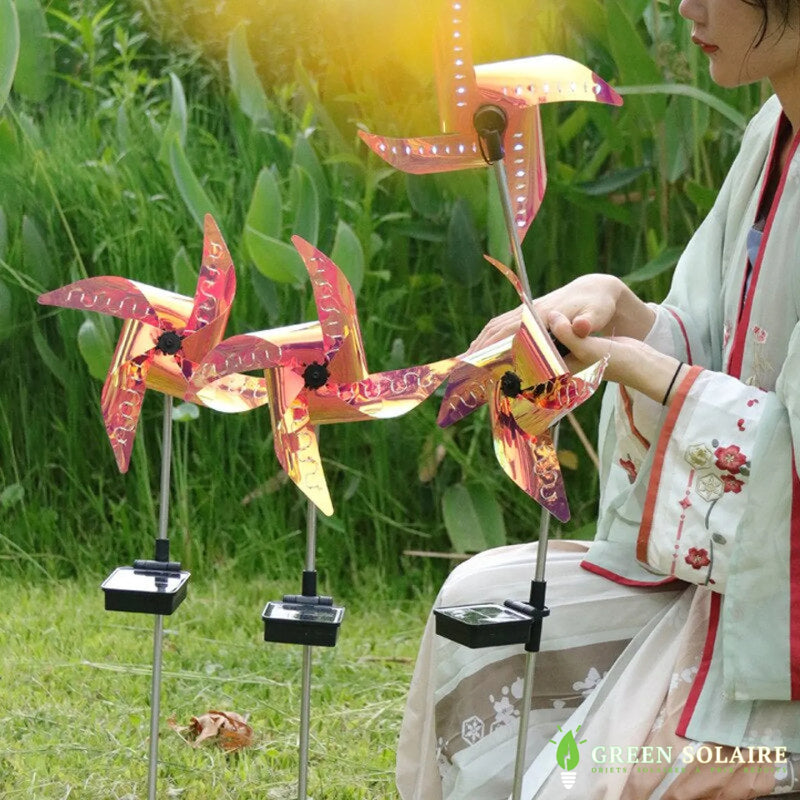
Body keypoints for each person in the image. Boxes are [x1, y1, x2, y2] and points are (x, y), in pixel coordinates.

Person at [395, 0, 800, 797]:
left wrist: (634, 367)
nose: (687, 7)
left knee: (593, 779)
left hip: (780, 623)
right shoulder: (771, 133)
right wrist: (624, 312)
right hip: (735, 584)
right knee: (475, 611)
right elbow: (719, 348)